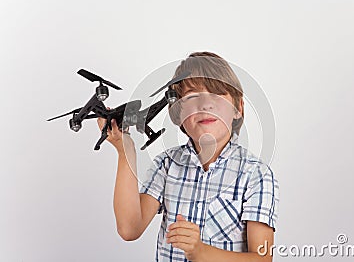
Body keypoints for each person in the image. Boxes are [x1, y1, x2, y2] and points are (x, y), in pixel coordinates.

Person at [98, 51, 279, 262]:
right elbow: (129, 228)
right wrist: (124, 150)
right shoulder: (166, 164)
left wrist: (201, 252)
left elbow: (262, 258)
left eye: (217, 94)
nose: (205, 105)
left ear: (238, 109)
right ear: (178, 113)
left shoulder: (256, 174)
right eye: (193, 96)